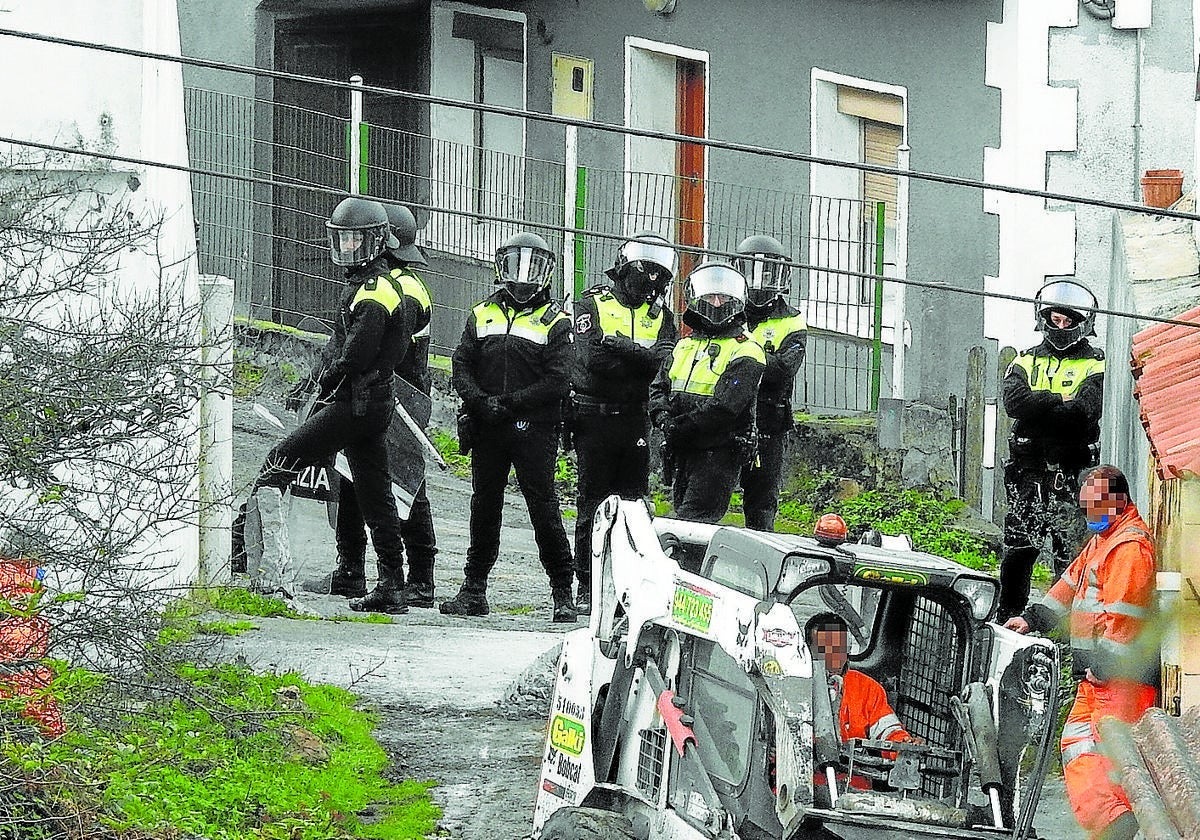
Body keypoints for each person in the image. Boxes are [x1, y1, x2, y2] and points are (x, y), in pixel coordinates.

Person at [232, 196, 412, 612]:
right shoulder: (374, 286)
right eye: (343, 240)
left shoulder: (375, 292)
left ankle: (255, 559)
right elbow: (339, 349)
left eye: (355, 241)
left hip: (357, 403)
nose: (347, 248)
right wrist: (311, 383)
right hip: (369, 403)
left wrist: (321, 388)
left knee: (280, 460)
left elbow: (353, 356)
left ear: (377, 242)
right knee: (374, 492)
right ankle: (393, 584)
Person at [298, 203, 440, 611]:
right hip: (376, 393)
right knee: (350, 479)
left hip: (400, 394)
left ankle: (422, 578)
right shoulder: (377, 283)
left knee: (407, 487)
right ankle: (351, 569)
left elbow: (376, 347)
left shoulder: (402, 288)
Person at [1004, 465, 1156, 840]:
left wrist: (1102, 665)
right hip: (1100, 678)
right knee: (1079, 748)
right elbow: (1069, 585)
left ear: (1118, 502)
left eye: (1095, 506)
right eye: (1086, 506)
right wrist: (1030, 619)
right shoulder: (1105, 540)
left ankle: (1115, 824)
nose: (1089, 514)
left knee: (1109, 761)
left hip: (1120, 680)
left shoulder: (1130, 549)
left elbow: (1125, 617)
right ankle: (1110, 823)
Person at [441, 231, 578, 623]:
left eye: (532, 265)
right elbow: (461, 364)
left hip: (534, 428)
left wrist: (510, 403)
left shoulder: (557, 321)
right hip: (487, 425)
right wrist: (480, 402)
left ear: (547, 272)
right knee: (484, 506)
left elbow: (558, 379)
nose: (522, 276)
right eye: (515, 264)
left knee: (543, 507)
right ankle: (474, 589)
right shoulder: (481, 312)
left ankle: (562, 592)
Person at [570, 232, 678, 613]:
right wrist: (641, 360)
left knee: (634, 508)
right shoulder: (591, 303)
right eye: (648, 276)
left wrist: (625, 348)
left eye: (660, 280)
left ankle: (627, 588)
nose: (652, 288)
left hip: (635, 421)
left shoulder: (662, 318)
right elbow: (592, 361)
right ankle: (586, 586)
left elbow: (664, 363)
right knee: (591, 506)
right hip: (593, 417)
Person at [998, 279, 1105, 621]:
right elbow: (1014, 403)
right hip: (1026, 472)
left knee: (1069, 554)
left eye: (1068, 321)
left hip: (1071, 474)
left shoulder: (1095, 363)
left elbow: (1084, 411)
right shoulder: (1025, 360)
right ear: (1043, 319)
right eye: (1054, 320)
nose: (1059, 327)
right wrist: (1059, 400)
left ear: (1083, 324)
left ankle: (1059, 626)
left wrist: (1040, 405)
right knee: (1019, 550)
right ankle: (1008, 617)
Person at [649, 260, 765, 524]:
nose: (716, 303)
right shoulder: (685, 345)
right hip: (682, 449)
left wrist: (678, 427)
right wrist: (664, 420)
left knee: (693, 524)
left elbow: (725, 408)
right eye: (710, 296)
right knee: (682, 521)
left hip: (717, 454)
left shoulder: (747, 350)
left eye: (723, 297)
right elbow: (658, 388)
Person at [733, 234, 807, 532]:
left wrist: (745, 357)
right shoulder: (726, 310)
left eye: (768, 272)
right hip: (727, 416)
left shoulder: (792, 321)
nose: (760, 281)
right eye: (752, 270)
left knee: (762, 504)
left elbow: (783, 371)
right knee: (711, 497)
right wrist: (765, 358)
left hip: (769, 421)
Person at [808, 613, 918, 748]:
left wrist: (903, 744)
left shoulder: (868, 688)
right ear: (809, 651)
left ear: (848, 647)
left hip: (853, 767)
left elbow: (887, 731)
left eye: (838, 647)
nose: (833, 655)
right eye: (824, 648)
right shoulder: (798, 686)